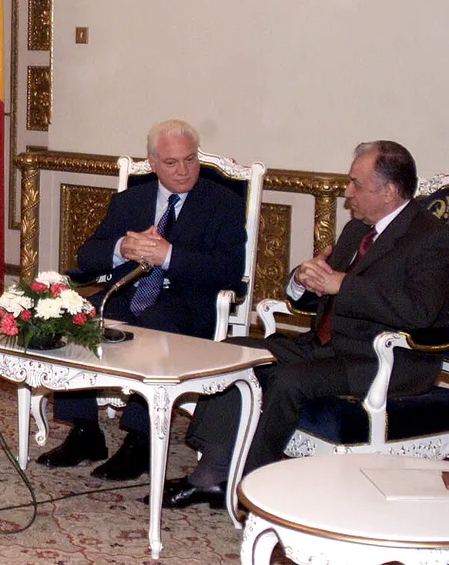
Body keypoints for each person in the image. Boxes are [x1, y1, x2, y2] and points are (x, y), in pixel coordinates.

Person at [165, 140, 449, 509]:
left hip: (384, 361)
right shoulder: (357, 230)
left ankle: (253, 489)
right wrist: (303, 280)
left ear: (389, 191)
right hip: (328, 346)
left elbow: (419, 311)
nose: (347, 193)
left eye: (356, 184)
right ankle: (212, 474)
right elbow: (323, 289)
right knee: (234, 353)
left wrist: (343, 284)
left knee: (288, 379)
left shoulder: (431, 238)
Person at [37, 119, 247, 481]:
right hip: (128, 296)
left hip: (188, 305)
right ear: (152, 163)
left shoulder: (222, 204)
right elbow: (88, 257)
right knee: (75, 317)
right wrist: (122, 247)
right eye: (171, 162)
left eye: (190, 159)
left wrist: (169, 256)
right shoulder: (129, 202)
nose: (183, 170)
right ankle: (85, 432)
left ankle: (140, 439)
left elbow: (229, 270)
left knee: (155, 327)